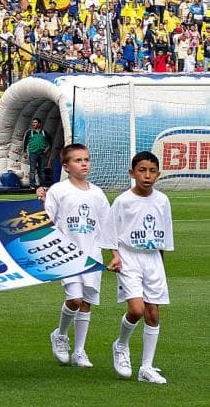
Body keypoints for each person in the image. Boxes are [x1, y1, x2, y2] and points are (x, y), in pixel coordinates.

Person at [37, 144, 114, 370]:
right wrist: (39, 201)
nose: (84, 164)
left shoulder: (97, 193)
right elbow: (46, 221)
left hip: (92, 254)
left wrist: (114, 254)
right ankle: (60, 335)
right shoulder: (59, 191)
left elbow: (108, 226)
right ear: (66, 166)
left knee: (86, 303)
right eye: (78, 160)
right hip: (67, 254)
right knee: (75, 299)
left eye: (86, 159)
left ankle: (79, 350)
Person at [104, 151, 173, 385]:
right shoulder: (123, 201)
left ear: (158, 174)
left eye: (152, 171)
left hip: (152, 259)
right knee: (136, 310)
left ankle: (146, 367)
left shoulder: (163, 200)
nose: (147, 175)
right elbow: (110, 232)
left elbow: (164, 236)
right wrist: (115, 256)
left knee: (153, 313)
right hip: (129, 258)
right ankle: (121, 345)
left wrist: (160, 266)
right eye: (142, 170)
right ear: (132, 173)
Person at [24, 118, 52, 189]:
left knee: (41, 170)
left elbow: (50, 143)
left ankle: (42, 185)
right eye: (33, 122)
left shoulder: (44, 132)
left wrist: (46, 150)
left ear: (39, 124)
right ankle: (32, 185)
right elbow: (25, 143)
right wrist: (25, 152)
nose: (33, 124)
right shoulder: (30, 132)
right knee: (32, 170)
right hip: (33, 153)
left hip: (41, 154)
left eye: (35, 122)